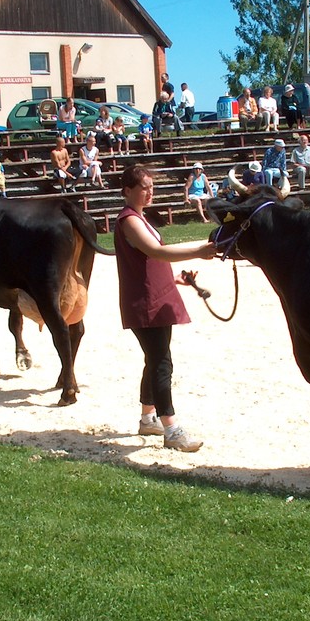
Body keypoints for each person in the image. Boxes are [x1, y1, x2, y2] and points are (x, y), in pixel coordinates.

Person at [115, 164, 216, 452]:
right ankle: (171, 430)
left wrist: (174, 278)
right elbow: (156, 252)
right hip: (146, 303)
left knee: (155, 358)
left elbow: (147, 262)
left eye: (151, 187)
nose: (149, 192)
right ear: (127, 191)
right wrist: (199, 251)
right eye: (143, 188)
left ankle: (148, 418)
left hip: (155, 297)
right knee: (162, 362)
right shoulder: (129, 221)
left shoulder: (140, 219)